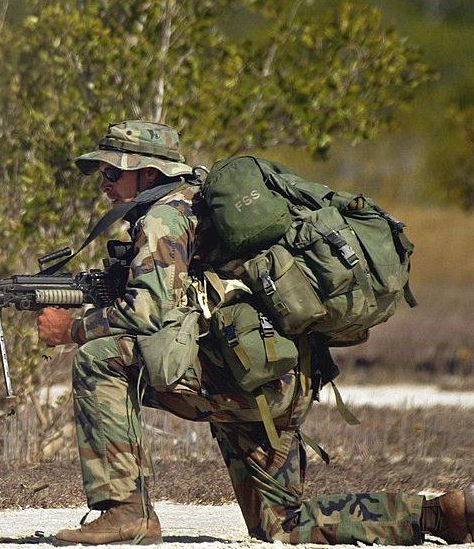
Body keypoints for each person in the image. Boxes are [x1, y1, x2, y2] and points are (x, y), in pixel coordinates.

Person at [36, 120, 473, 545]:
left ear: (149, 173)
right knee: (283, 525)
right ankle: (439, 515)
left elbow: (149, 313)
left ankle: (126, 512)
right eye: (102, 174)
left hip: (241, 375)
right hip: (275, 376)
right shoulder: (199, 206)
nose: (104, 183)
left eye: (113, 172)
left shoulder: (163, 219)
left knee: (100, 358)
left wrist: (72, 328)